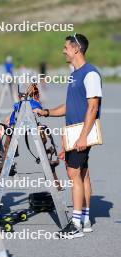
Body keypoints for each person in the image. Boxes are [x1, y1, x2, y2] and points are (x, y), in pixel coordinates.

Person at [34, 33, 102, 239]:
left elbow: (92, 108)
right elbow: (69, 106)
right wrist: (46, 112)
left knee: (73, 175)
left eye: (66, 47)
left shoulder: (90, 74)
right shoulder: (74, 73)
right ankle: (86, 219)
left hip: (82, 132)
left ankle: (75, 224)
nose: (63, 50)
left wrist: (82, 137)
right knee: (82, 174)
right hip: (74, 132)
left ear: (76, 49)